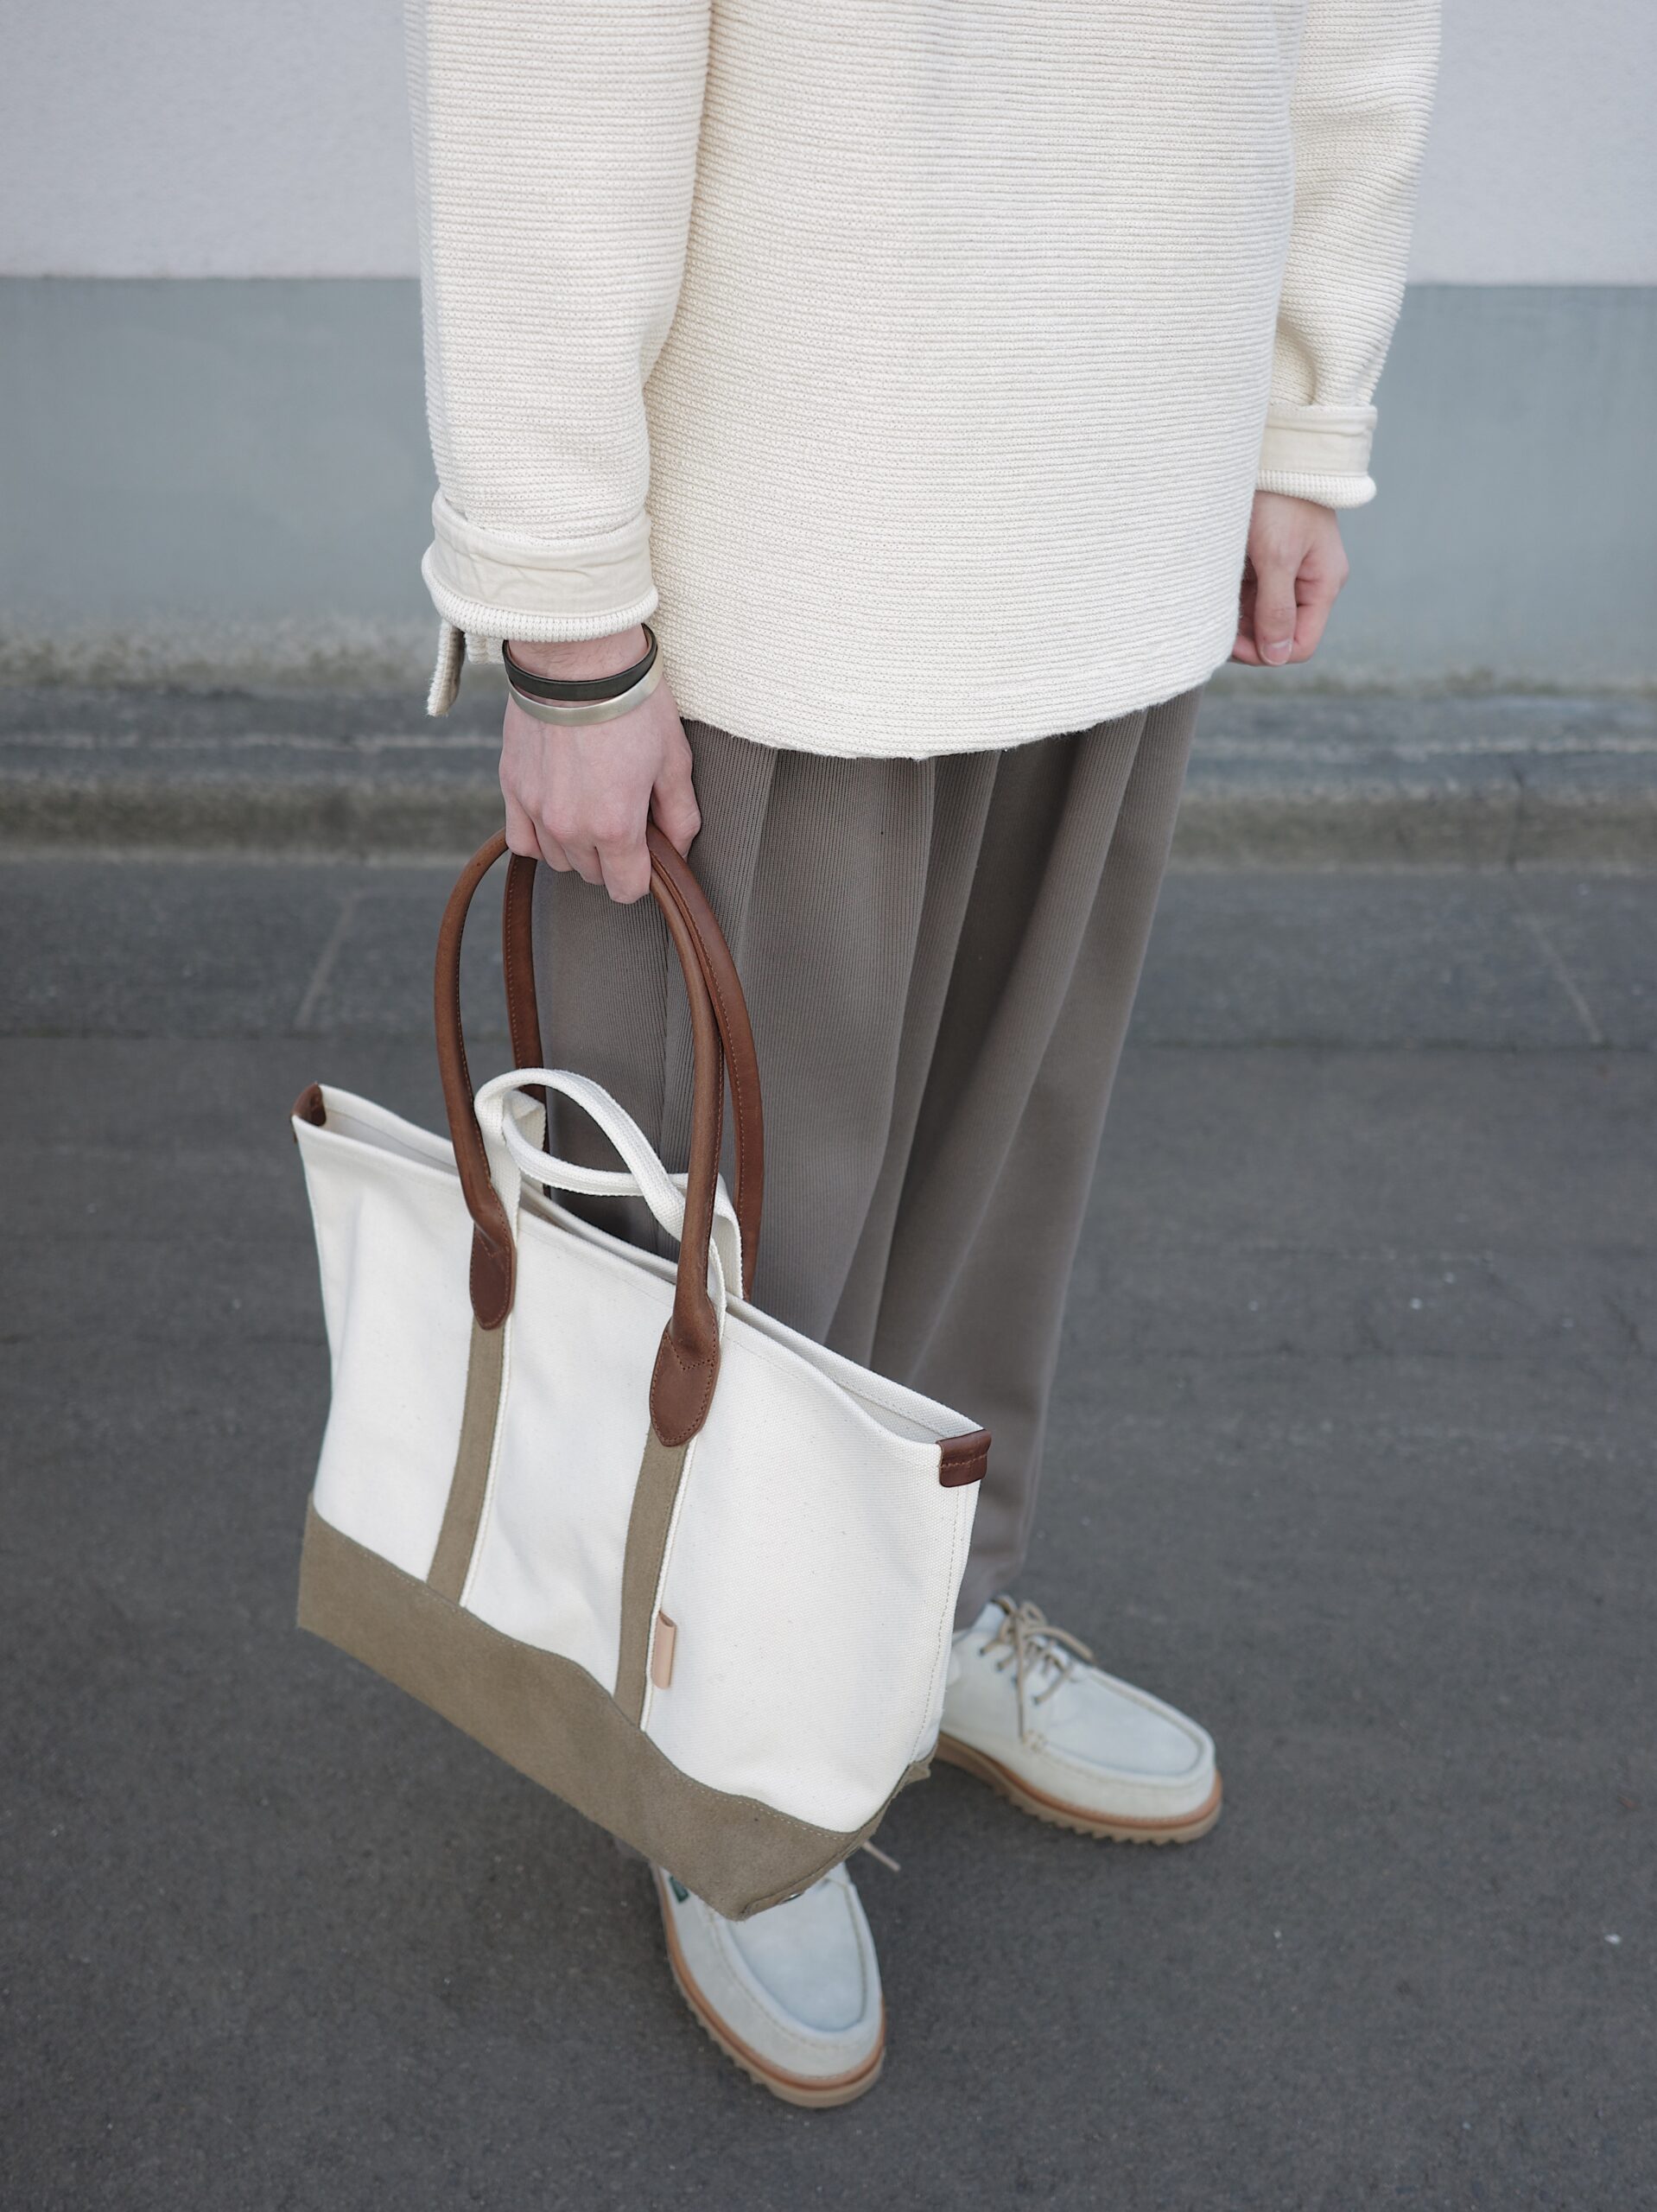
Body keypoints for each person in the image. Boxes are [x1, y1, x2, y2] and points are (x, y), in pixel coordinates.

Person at [405, 0, 1438, 2105]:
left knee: (1007, 1149)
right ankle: (725, 1743)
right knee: (747, 1219)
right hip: (799, 507)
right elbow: (550, 55)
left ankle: (926, 1606)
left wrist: (1295, 411)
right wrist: (560, 600)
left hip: (1127, 466)